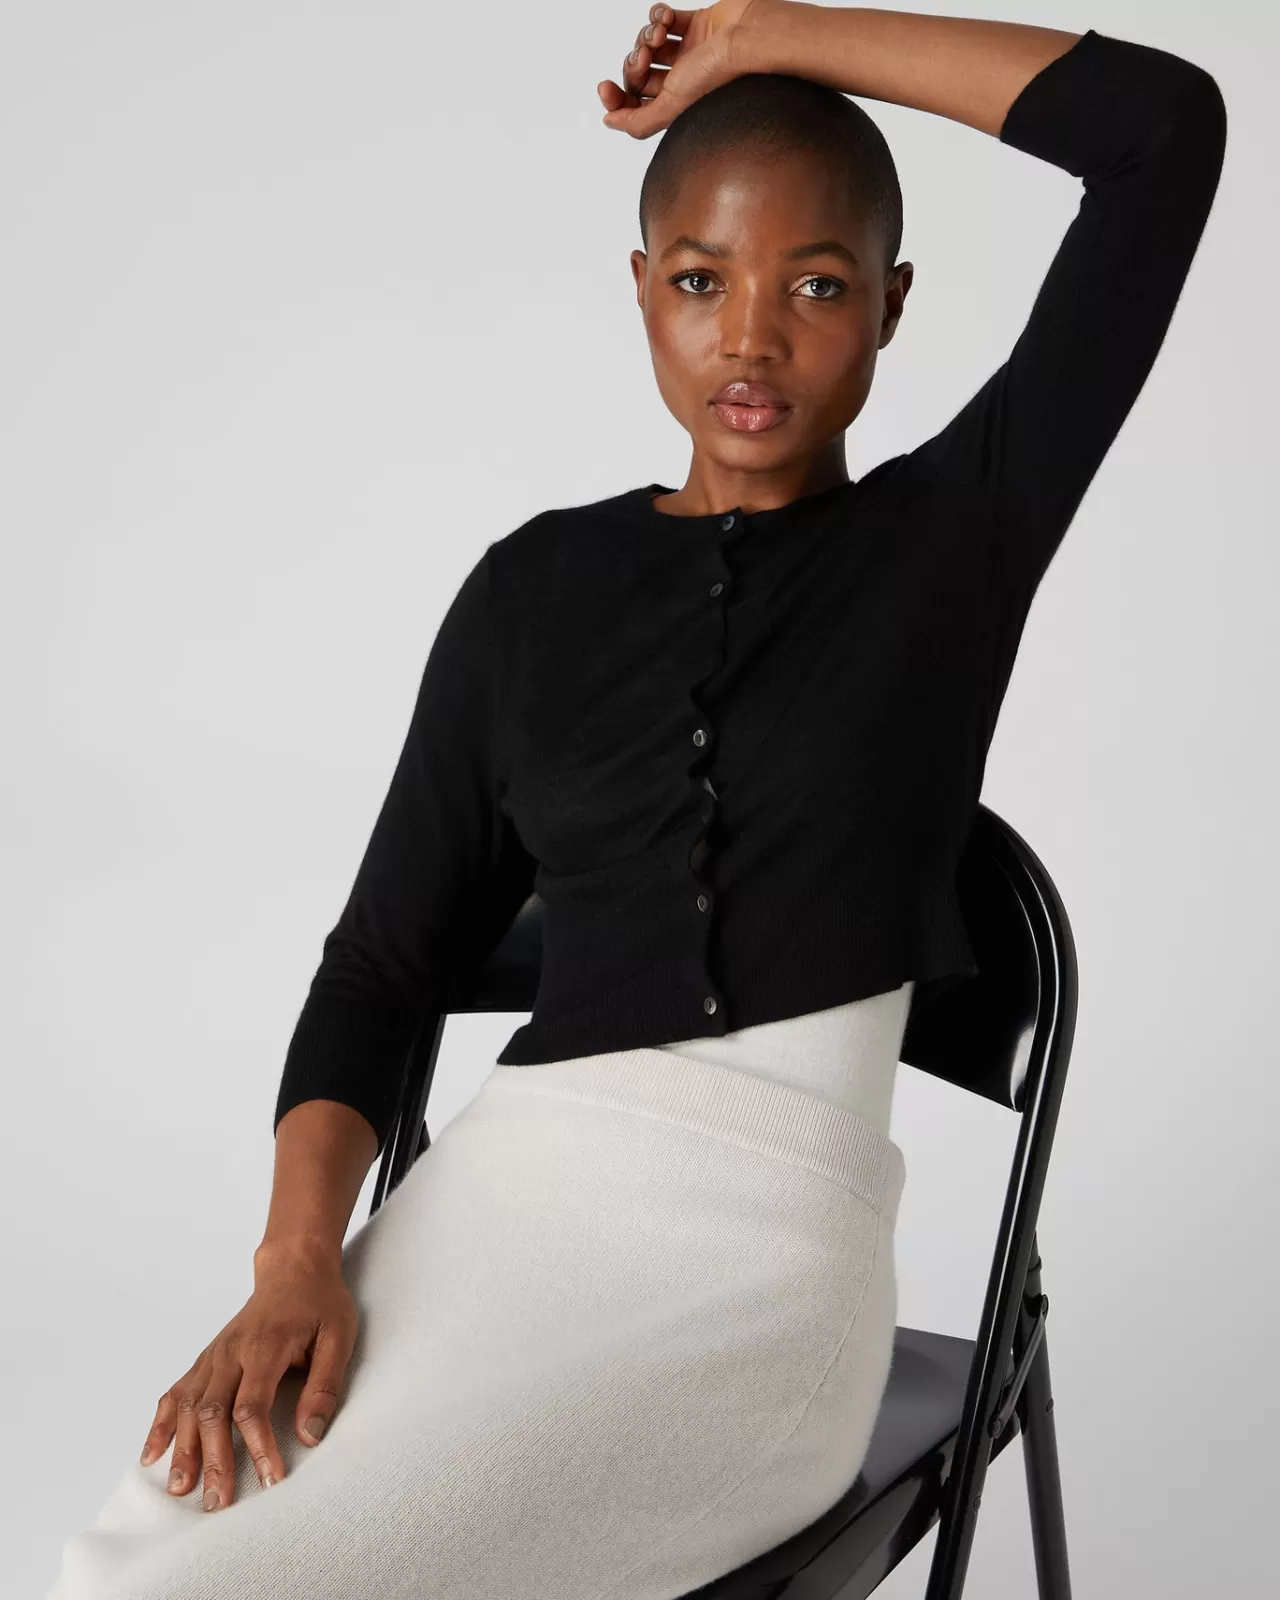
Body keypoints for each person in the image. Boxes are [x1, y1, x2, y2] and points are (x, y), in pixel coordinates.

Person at [45, 5, 1226, 1597]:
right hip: (497, 1206)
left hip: (761, 1277)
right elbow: (382, 966)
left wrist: (763, 34)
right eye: (701, 280)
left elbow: (1164, 133)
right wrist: (294, 1263)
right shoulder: (529, 595)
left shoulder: (953, 545)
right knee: (135, 1566)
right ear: (642, 288)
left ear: (893, 303)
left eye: (817, 285)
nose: (751, 340)